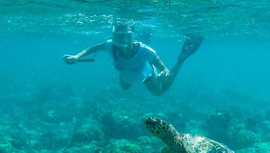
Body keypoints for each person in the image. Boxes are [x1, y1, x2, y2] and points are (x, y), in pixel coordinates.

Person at [62, 25, 203, 96]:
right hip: (127, 73)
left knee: (159, 92)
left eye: (129, 37)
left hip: (147, 75)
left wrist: (164, 72)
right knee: (125, 87)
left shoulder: (145, 50)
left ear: (133, 37)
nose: (125, 41)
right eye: (121, 36)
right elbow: (94, 48)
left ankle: (181, 59)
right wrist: (77, 57)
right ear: (115, 37)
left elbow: (163, 67)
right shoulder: (111, 45)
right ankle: (126, 69)